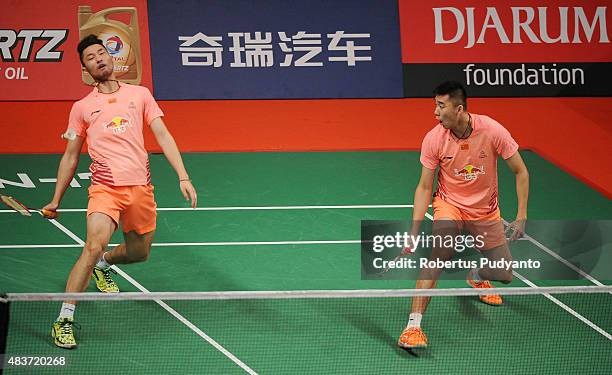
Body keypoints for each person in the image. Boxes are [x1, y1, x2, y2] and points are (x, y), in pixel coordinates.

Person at [45, 35, 197, 349]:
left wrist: (183, 175)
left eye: (102, 52)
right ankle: (64, 318)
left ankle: (106, 263)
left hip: (140, 188)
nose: (98, 58)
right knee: (91, 245)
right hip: (105, 189)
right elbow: (71, 155)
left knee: (139, 253)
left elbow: (162, 134)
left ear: (111, 58)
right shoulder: (81, 108)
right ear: (84, 68)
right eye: (90, 56)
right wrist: (56, 198)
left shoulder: (140, 95)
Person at [397, 81, 529, 349]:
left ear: (458, 109)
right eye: (435, 105)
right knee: (439, 254)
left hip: (485, 210)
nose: (435, 112)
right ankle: (413, 326)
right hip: (450, 205)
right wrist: (413, 229)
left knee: (504, 274)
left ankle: (477, 276)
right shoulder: (434, 138)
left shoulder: (492, 130)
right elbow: (424, 186)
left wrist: (521, 214)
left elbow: (521, 171)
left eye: (441, 106)